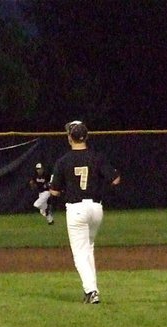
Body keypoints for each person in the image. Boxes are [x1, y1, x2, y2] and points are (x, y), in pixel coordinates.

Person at [49, 121, 120, 304]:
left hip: (76, 209)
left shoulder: (63, 161)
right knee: (88, 249)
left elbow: (54, 191)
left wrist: (67, 186)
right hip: (96, 208)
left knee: (80, 253)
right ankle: (91, 289)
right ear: (86, 137)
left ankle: (92, 291)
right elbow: (115, 179)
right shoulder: (97, 157)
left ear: (69, 138)